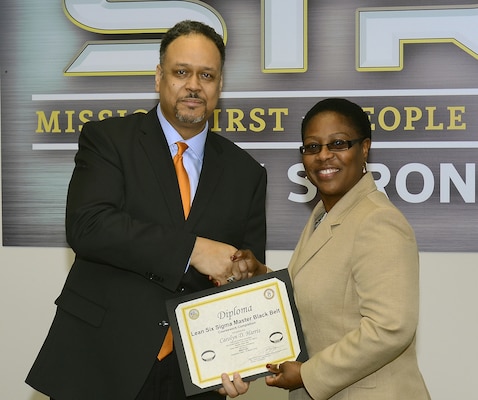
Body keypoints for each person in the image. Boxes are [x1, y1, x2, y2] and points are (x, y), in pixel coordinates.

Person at [26, 20, 266, 400]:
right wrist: (195, 250)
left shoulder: (247, 173)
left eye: (206, 75)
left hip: (194, 377)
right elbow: (89, 226)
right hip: (102, 361)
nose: (193, 85)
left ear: (220, 86)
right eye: (181, 72)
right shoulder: (109, 140)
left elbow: (246, 278)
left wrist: (242, 357)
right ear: (159, 77)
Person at [233, 98, 431, 399]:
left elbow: (391, 327)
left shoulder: (378, 221)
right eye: (312, 147)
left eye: (338, 144)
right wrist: (262, 276)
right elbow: (319, 295)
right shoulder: (324, 215)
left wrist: (308, 374)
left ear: (364, 149)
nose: (324, 156)